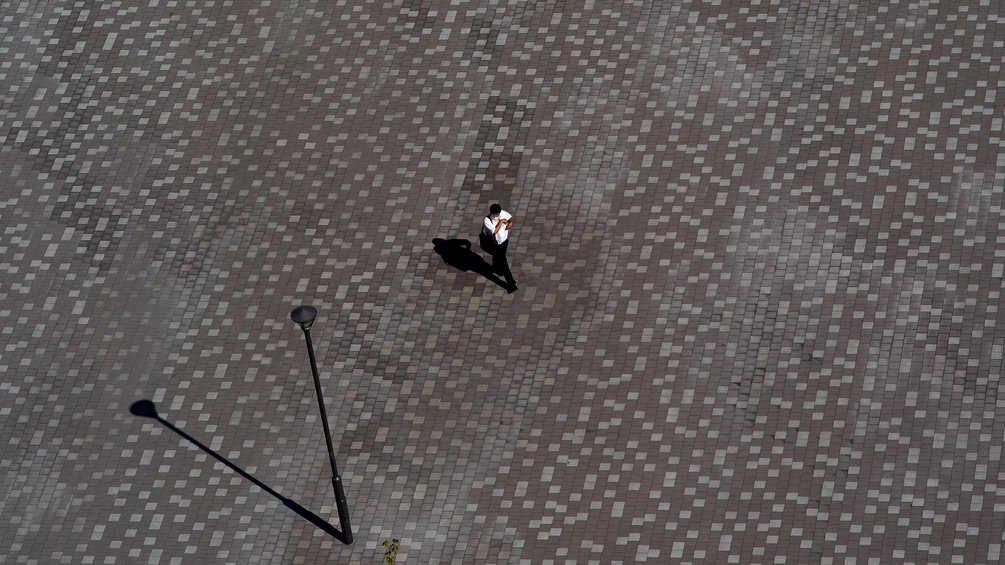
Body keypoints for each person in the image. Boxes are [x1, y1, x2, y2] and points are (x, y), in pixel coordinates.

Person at [481, 203, 517, 292]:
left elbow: (510, 218)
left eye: (497, 214)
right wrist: (501, 221)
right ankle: (511, 284)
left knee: (498, 258)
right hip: (495, 244)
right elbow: (494, 231)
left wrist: (511, 222)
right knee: (504, 264)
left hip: (504, 241)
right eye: (494, 214)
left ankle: (496, 268)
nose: (496, 216)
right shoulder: (487, 220)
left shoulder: (503, 213)